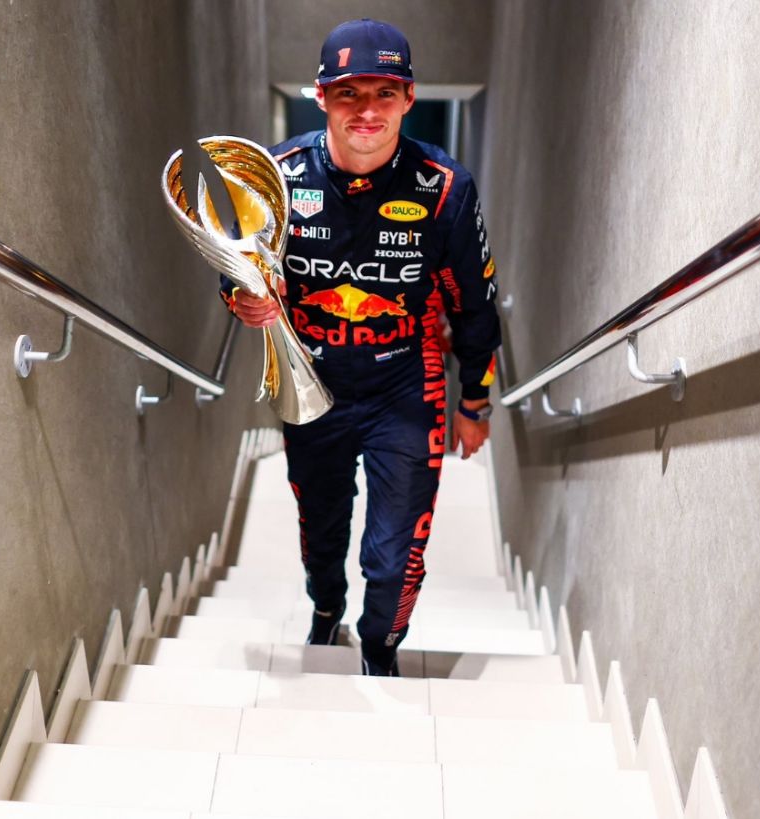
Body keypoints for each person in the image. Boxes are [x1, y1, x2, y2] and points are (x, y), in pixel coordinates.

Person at [221, 18, 501, 676]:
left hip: (405, 385)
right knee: (322, 528)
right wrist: (243, 299)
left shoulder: (445, 188)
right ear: (321, 96)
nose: (367, 110)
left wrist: (475, 401)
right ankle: (326, 608)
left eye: (384, 93)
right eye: (349, 93)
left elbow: (475, 305)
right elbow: (234, 268)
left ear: (409, 98)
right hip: (310, 384)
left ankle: (379, 646)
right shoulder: (277, 176)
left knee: (395, 552)